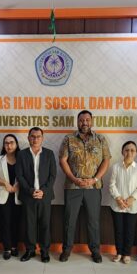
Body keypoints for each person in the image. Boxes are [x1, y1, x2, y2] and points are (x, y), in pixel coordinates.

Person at [58, 110, 111, 263]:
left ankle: (95, 251)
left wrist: (94, 179)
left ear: (91, 121)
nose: (84, 123)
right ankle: (66, 249)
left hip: (93, 187)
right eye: (81, 120)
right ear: (77, 122)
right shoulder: (68, 139)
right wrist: (74, 179)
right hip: (72, 186)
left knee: (93, 221)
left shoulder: (100, 139)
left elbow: (106, 161)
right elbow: (62, 160)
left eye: (87, 120)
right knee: (69, 220)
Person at [16, 127, 56, 262]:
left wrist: (43, 190)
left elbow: (52, 175)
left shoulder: (49, 154)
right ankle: (30, 250)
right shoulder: (21, 154)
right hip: (28, 195)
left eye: (38, 136)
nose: (35, 139)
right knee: (29, 225)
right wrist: (31, 190)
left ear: (42, 138)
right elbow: (20, 175)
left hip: (45, 195)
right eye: (33, 136)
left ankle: (44, 251)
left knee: (45, 224)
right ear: (28, 138)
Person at [108, 141, 137, 263]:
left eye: (132, 150)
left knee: (130, 230)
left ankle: (127, 254)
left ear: (136, 153)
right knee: (118, 230)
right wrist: (118, 198)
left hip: (132, 205)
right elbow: (112, 185)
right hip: (117, 204)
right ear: (122, 152)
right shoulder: (116, 167)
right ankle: (119, 253)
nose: (129, 153)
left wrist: (131, 199)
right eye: (127, 150)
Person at [0, 134, 21, 260]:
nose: (9, 145)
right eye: (6, 143)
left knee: (16, 223)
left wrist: (18, 185)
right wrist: (5, 183)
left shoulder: (22, 158)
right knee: (5, 223)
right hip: (3, 196)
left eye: (11, 142)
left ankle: (14, 246)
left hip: (18, 196)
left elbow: (26, 175)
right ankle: (7, 248)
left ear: (16, 144)